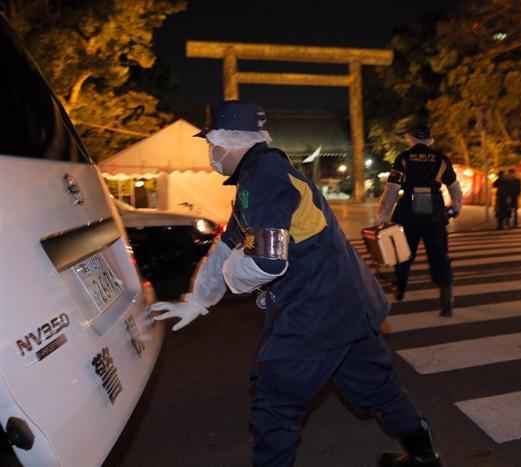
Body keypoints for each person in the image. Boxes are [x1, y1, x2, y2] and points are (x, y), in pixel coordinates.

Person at [149, 100, 443, 467]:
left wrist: (228, 281)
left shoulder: (263, 178)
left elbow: (266, 260)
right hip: (350, 303)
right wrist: (197, 300)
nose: (210, 154)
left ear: (231, 142)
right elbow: (228, 244)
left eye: (212, 145)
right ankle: (423, 455)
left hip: (318, 310)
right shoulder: (263, 174)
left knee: (276, 404)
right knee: (377, 387)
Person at [375, 124, 462, 317]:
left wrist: (382, 215)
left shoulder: (403, 158)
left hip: (408, 215)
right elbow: (454, 187)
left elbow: (392, 190)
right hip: (435, 216)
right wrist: (456, 208)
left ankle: (400, 289)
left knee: (404, 254)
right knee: (440, 257)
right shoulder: (441, 159)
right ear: (429, 139)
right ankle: (447, 301)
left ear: (411, 138)